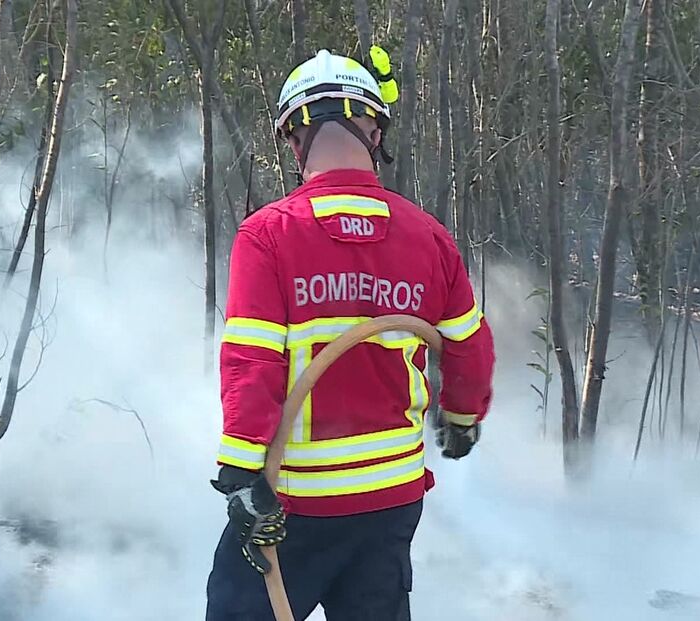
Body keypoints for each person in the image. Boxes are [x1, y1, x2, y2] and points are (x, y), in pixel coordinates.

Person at [205, 47, 495, 621]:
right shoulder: (427, 236)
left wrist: (240, 470)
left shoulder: (269, 235)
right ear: (374, 129)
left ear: (293, 139)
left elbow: (252, 361)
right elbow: (469, 346)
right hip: (392, 496)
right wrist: (462, 418)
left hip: (295, 502)